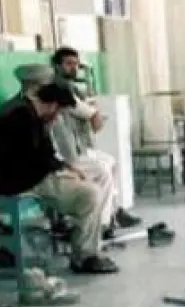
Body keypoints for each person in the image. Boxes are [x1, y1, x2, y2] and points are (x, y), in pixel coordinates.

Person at [0, 81, 120, 275]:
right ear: (52, 104)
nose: (58, 117)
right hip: (22, 182)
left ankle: (84, 246)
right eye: (59, 112)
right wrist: (63, 172)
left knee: (87, 185)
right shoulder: (22, 117)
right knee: (91, 194)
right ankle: (85, 255)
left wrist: (67, 168)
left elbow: (45, 154)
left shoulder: (28, 114)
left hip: (31, 176)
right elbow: (36, 159)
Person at [50, 48, 145, 233]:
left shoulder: (73, 88)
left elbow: (91, 118)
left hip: (79, 146)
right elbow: (84, 111)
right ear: (56, 65)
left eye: (76, 64)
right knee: (102, 171)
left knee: (111, 162)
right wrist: (93, 114)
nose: (74, 68)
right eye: (69, 63)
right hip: (66, 152)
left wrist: (93, 114)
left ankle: (113, 212)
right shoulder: (58, 88)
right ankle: (103, 224)